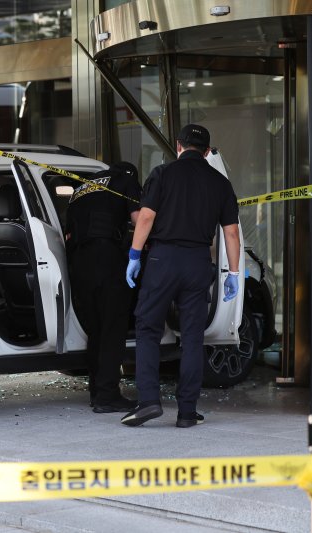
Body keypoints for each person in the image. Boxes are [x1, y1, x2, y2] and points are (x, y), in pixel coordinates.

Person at [121, 124, 240, 428]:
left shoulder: (163, 174)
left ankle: (148, 401)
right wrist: (234, 274)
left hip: (163, 258)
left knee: (148, 327)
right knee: (192, 337)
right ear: (207, 151)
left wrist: (135, 254)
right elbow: (231, 233)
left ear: (178, 146)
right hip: (199, 261)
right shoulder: (220, 183)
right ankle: (187, 412)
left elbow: (146, 216)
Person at [65, 161, 142, 413]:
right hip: (106, 259)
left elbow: (68, 233)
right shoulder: (126, 181)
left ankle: (97, 392)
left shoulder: (82, 187)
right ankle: (108, 396)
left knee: (96, 331)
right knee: (113, 329)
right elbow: (139, 219)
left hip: (80, 263)